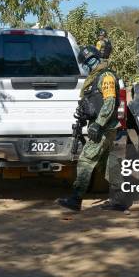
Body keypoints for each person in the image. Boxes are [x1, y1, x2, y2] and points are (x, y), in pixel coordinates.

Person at [56, 46, 130, 212]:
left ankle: (75, 200)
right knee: (109, 164)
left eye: (92, 60)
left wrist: (98, 124)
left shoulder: (106, 76)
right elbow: (94, 103)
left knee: (86, 160)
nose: (90, 64)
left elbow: (110, 102)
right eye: (87, 62)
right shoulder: (95, 79)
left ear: (97, 59)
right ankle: (118, 200)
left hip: (104, 127)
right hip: (102, 126)